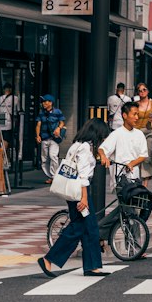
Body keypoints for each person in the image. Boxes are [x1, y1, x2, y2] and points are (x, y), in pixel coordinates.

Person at [36, 116, 108, 278]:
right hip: (79, 192)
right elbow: (83, 174)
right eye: (102, 135)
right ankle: (49, 259)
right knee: (80, 227)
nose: (103, 139)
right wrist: (84, 198)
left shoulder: (77, 145)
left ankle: (92, 266)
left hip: (74, 190)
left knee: (89, 229)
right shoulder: (84, 148)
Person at [97, 100, 148, 185]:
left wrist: (132, 163)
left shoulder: (139, 134)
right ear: (125, 115)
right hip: (119, 178)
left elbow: (143, 155)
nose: (137, 118)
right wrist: (103, 156)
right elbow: (102, 148)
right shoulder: (117, 133)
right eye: (134, 114)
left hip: (134, 176)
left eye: (137, 115)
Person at [35, 95, 65, 184]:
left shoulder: (57, 112)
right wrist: (38, 136)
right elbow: (38, 124)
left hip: (54, 138)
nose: (44, 103)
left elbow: (62, 122)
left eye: (45, 101)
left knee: (53, 156)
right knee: (44, 159)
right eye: (43, 102)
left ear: (51, 103)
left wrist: (58, 128)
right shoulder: (41, 113)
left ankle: (55, 176)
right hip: (44, 138)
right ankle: (50, 176)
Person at [134, 83, 152, 186]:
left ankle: (145, 185)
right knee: (136, 156)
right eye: (140, 90)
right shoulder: (135, 104)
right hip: (137, 132)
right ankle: (136, 179)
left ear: (148, 91)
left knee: (147, 156)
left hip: (149, 132)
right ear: (137, 92)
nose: (142, 92)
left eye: (144, 89)